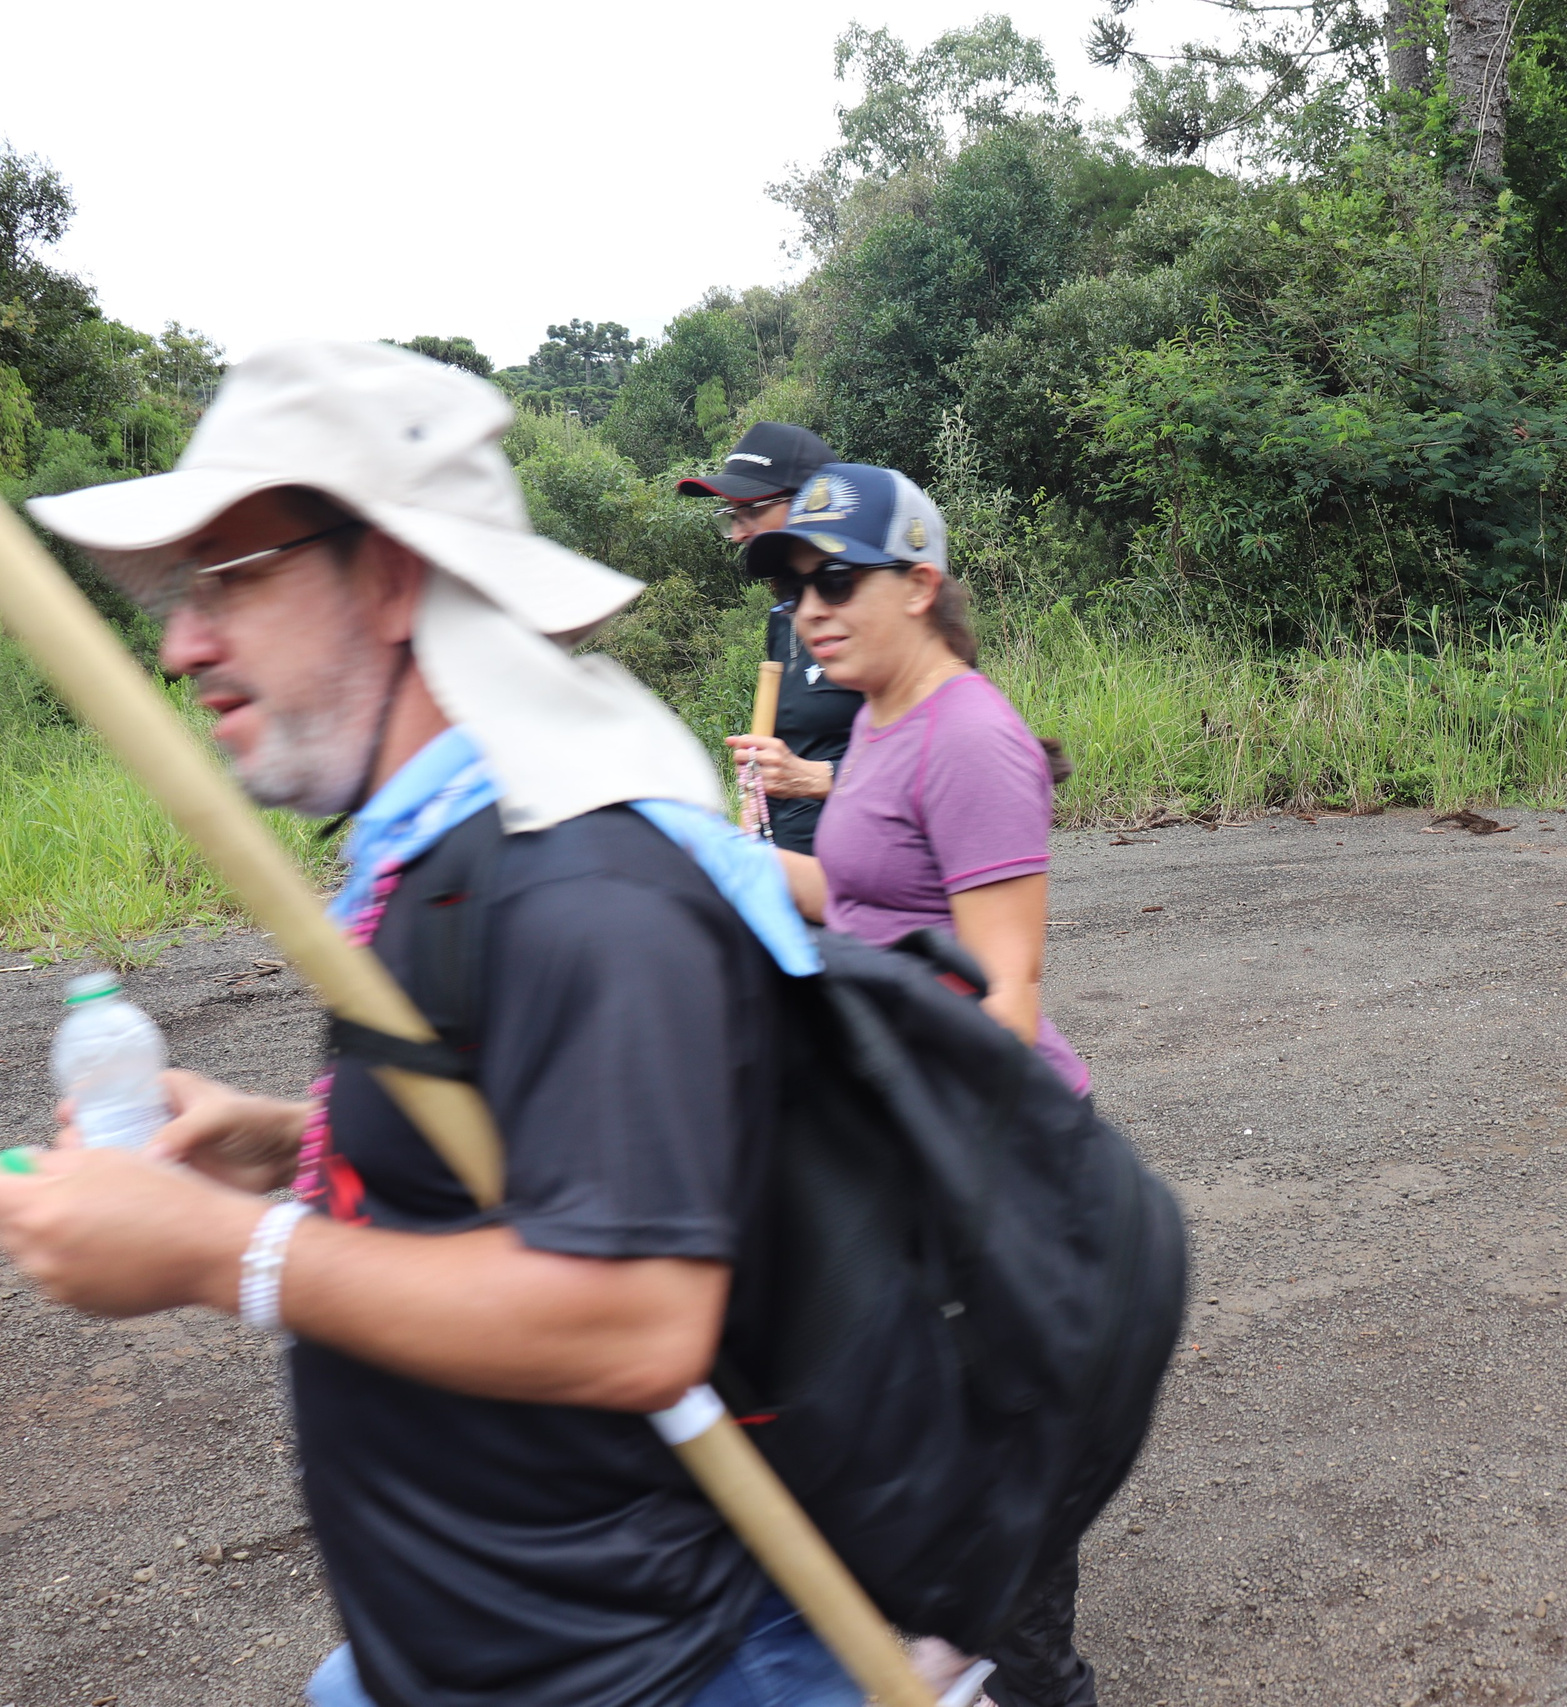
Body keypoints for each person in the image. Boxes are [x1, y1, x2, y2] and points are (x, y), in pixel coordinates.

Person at [0, 342, 864, 1707]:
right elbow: (548, 1155)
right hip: (473, 1642)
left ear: (393, 573)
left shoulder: (581, 879)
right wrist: (281, 1144)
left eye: (231, 575)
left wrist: (227, 1249)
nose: (179, 641)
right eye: (177, 589)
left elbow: (637, 1317)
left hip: (656, 1664)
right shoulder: (447, 849)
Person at [746, 463, 1096, 1707]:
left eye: (838, 579)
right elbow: (863, 903)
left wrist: (931, 1171)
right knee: (911, 1466)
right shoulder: (881, 721)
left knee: (1003, 1524)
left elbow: (1005, 989)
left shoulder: (968, 734)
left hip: (991, 1151)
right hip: (909, 1134)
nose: (813, 608)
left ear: (922, 582)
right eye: (797, 585)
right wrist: (712, 864)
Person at [678, 422, 862, 855]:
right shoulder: (784, 616)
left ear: (811, 503)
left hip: (865, 882)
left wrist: (818, 778)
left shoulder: (874, 611)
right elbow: (786, 746)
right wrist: (752, 811)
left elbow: (940, 760)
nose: (739, 533)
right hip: (791, 874)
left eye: (751, 511)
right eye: (731, 517)